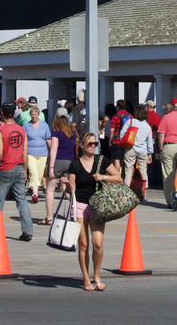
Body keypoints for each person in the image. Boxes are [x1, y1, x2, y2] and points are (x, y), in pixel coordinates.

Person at [66, 131, 123, 291]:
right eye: (90, 144)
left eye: (95, 144)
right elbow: (72, 190)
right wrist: (66, 186)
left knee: (97, 243)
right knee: (83, 244)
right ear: (82, 146)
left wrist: (103, 177)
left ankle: (96, 275)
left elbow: (118, 178)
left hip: (98, 205)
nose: (93, 146)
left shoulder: (102, 160)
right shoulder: (75, 164)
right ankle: (86, 279)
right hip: (80, 205)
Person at [0, 102, 34, 241]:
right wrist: (25, 170)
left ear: (1, 114)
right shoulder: (21, 130)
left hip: (6, 167)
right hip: (19, 167)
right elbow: (25, 152)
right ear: (14, 113)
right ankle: (27, 230)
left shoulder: (0, 130)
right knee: (21, 200)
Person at [42, 114, 77, 224]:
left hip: (58, 161)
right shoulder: (73, 132)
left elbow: (53, 149)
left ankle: (49, 218)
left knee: (50, 190)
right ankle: (76, 213)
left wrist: (51, 167)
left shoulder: (56, 131)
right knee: (68, 190)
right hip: (70, 162)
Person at [120, 105, 154, 194]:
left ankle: (126, 190)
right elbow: (149, 141)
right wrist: (150, 153)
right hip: (143, 150)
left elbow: (122, 134)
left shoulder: (130, 122)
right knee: (143, 171)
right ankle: (144, 191)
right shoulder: (147, 126)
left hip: (130, 148)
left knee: (128, 170)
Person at [23, 103, 52, 205]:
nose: (34, 116)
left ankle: (34, 191)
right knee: (33, 173)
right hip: (30, 153)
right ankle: (35, 194)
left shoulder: (44, 125)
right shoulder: (26, 126)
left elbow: (48, 139)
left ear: (38, 115)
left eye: (35, 114)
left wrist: (53, 150)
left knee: (39, 174)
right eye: (32, 115)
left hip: (42, 153)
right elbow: (23, 140)